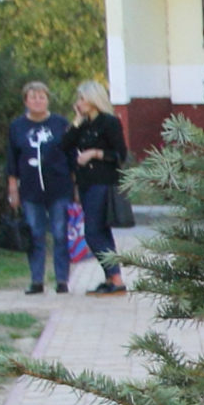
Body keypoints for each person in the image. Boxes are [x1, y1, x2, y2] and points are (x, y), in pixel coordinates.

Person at [64, 81, 130, 296]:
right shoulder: (84, 124)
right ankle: (111, 278)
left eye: (82, 99)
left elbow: (120, 154)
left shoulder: (109, 122)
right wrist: (76, 121)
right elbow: (63, 145)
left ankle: (116, 277)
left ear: (93, 100)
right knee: (101, 231)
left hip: (103, 183)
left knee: (92, 233)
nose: (79, 103)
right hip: (85, 183)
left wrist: (95, 153)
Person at [7, 81, 72, 294]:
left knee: (60, 233)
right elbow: (12, 159)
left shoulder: (60, 124)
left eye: (41, 97)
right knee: (35, 234)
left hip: (59, 187)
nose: (38, 101)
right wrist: (13, 188)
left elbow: (71, 155)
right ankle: (36, 280)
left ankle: (62, 279)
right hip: (30, 189)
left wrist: (75, 186)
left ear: (48, 100)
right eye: (33, 97)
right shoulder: (17, 126)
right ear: (26, 101)